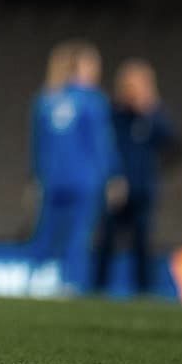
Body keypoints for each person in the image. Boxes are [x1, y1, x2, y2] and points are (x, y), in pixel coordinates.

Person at [27, 39, 117, 292]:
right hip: (85, 179)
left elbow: (37, 145)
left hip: (52, 178)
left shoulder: (46, 99)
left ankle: (36, 279)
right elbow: (101, 144)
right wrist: (112, 176)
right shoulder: (94, 101)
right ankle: (70, 282)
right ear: (82, 67)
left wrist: (34, 178)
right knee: (78, 235)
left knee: (45, 232)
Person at [92, 59, 175, 295]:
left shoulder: (153, 115)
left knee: (142, 243)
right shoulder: (112, 114)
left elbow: (169, 139)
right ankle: (97, 292)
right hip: (115, 189)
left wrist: (150, 111)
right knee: (106, 241)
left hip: (142, 190)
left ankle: (145, 293)